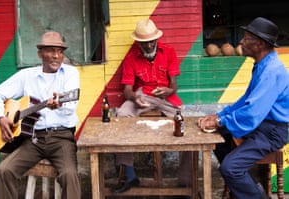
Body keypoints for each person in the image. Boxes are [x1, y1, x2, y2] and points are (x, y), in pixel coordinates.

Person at [197, 17, 289, 199]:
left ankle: (255, 194)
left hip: (271, 131)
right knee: (220, 137)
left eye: (247, 38)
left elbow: (253, 112)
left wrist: (220, 120)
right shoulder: (262, 65)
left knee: (230, 168)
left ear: (260, 44)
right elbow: (246, 100)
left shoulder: (271, 71)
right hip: (262, 125)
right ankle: (246, 188)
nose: (241, 42)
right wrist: (219, 116)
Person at [0, 31, 81, 199]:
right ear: (40, 53)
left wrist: (59, 105)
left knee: (70, 175)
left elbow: (71, 105)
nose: (56, 56)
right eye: (50, 51)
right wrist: (1, 118)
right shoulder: (27, 76)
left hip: (61, 138)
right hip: (32, 139)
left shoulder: (70, 73)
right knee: (4, 171)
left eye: (60, 51)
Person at [113, 19, 193, 196]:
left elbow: (174, 85)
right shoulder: (131, 57)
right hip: (142, 96)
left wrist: (168, 89)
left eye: (152, 41)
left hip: (165, 96)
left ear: (156, 39)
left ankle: (185, 183)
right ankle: (131, 176)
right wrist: (135, 98)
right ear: (138, 42)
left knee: (186, 127)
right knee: (121, 116)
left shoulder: (169, 52)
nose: (149, 45)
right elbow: (127, 90)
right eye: (144, 42)